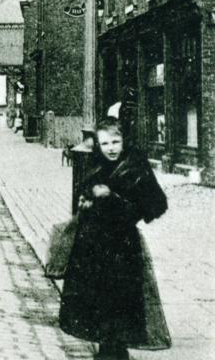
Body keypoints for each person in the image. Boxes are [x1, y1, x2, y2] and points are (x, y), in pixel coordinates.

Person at [59, 117, 170, 360]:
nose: (110, 148)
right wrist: (86, 200)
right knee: (97, 301)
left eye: (115, 142)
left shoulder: (134, 166)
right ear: (98, 144)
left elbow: (156, 205)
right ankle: (107, 351)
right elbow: (86, 191)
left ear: (124, 141)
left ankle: (115, 353)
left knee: (119, 300)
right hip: (93, 244)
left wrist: (114, 197)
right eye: (105, 143)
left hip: (121, 245)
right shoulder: (97, 163)